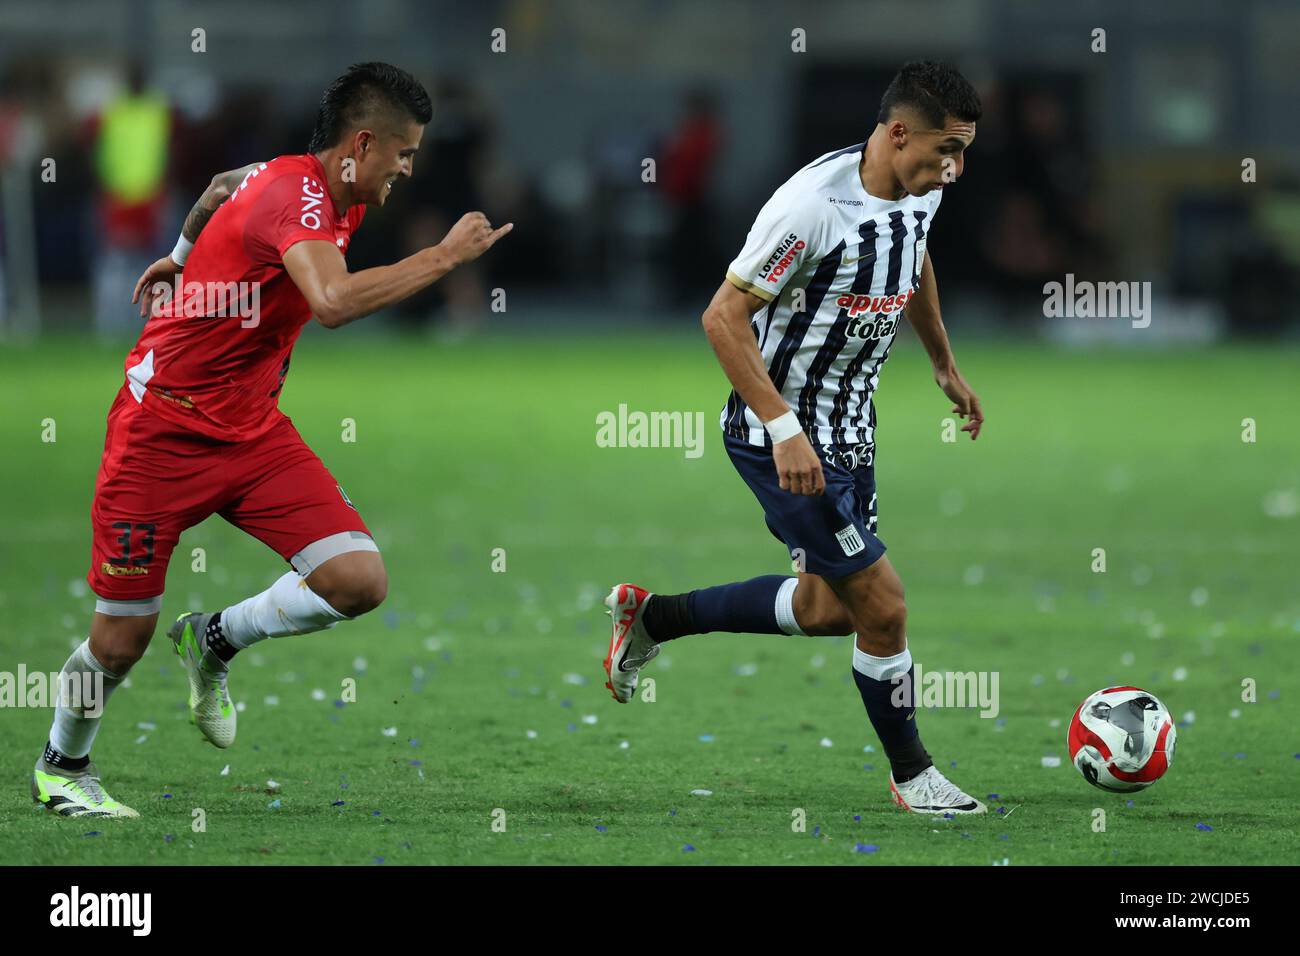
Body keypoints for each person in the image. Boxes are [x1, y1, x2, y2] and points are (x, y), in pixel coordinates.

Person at [32, 62, 511, 818]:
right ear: (361, 144)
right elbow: (332, 302)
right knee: (119, 642)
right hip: (160, 430)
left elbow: (222, 182)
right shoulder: (300, 197)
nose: (410, 169)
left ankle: (215, 639)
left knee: (358, 580)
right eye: (404, 152)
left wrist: (181, 257)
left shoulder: (313, 182)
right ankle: (62, 765)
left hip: (251, 431)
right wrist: (445, 258)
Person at [603, 61, 988, 815]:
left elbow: (912, 257)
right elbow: (722, 316)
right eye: (947, 149)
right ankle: (914, 775)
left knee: (829, 610)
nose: (955, 169)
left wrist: (941, 361)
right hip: (779, 435)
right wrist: (783, 427)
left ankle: (653, 617)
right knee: (885, 607)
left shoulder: (919, 190)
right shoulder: (811, 207)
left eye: (964, 151)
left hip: (851, 431)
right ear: (899, 132)